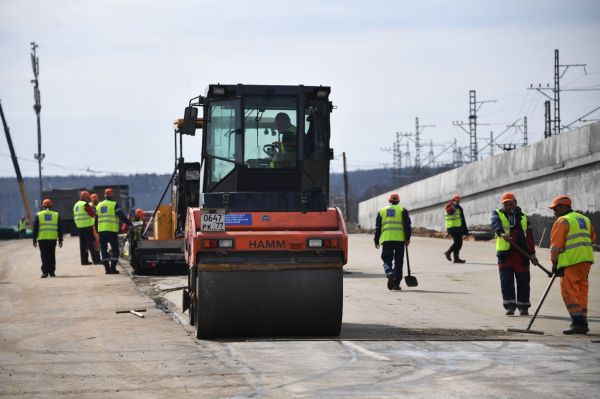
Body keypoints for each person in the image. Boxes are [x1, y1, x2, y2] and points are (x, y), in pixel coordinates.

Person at [549, 195, 596, 335]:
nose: (554, 211)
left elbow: (556, 247)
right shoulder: (584, 219)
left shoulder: (563, 221)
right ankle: (582, 321)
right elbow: (592, 238)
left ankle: (578, 323)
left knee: (569, 292)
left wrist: (555, 264)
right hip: (586, 261)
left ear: (564, 206)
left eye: (556, 208)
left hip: (571, 262)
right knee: (581, 291)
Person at [491, 192, 539, 316]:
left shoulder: (523, 217)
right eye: (505, 204)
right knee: (506, 281)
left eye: (510, 203)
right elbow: (495, 224)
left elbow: (529, 237)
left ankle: (523, 307)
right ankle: (510, 306)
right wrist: (501, 233)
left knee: (523, 281)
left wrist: (532, 254)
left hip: (521, 254)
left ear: (515, 203)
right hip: (505, 254)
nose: (508, 206)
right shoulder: (497, 213)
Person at [374, 192, 412, 290]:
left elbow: (378, 227)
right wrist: (407, 239)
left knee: (386, 259)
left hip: (387, 240)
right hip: (400, 240)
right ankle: (396, 284)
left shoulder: (382, 211)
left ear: (389, 201)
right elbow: (407, 226)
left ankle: (389, 272)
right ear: (398, 201)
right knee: (399, 262)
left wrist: (376, 240)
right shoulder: (403, 210)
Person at [96, 188, 131, 274]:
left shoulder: (99, 205)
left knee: (103, 250)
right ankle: (113, 268)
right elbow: (121, 216)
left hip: (101, 231)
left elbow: (95, 219)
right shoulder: (114, 204)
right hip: (111, 231)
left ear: (105, 195)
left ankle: (107, 270)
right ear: (112, 195)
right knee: (115, 250)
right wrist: (129, 224)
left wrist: (96, 230)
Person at [32, 198, 63, 278]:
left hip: (42, 239)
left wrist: (34, 239)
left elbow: (35, 228)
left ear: (43, 206)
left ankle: (45, 272)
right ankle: (52, 272)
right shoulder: (56, 214)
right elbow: (60, 228)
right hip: (52, 239)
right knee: (51, 255)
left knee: (44, 255)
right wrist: (60, 239)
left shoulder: (39, 215)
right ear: (51, 205)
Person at [73, 191, 101, 265]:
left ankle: (84, 261)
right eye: (88, 198)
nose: (88, 199)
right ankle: (96, 260)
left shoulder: (76, 204)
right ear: (84, 197)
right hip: (87, 227)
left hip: (79, 227)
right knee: (92, 244)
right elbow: (92, 214)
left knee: (83, 245)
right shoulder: (85, 204)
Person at [443, 194, 469, 263]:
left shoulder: (457, 206)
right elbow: (449, 212)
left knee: (459, 243)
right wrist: (454, 206)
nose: (459, 201)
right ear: (455, 199)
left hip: (457, 227)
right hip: (453, 227)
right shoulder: (450, 204)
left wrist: (465, 231)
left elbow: (461, 219)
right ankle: (448, 252)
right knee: (457, 242)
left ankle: (456, 258)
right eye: (458, 200)